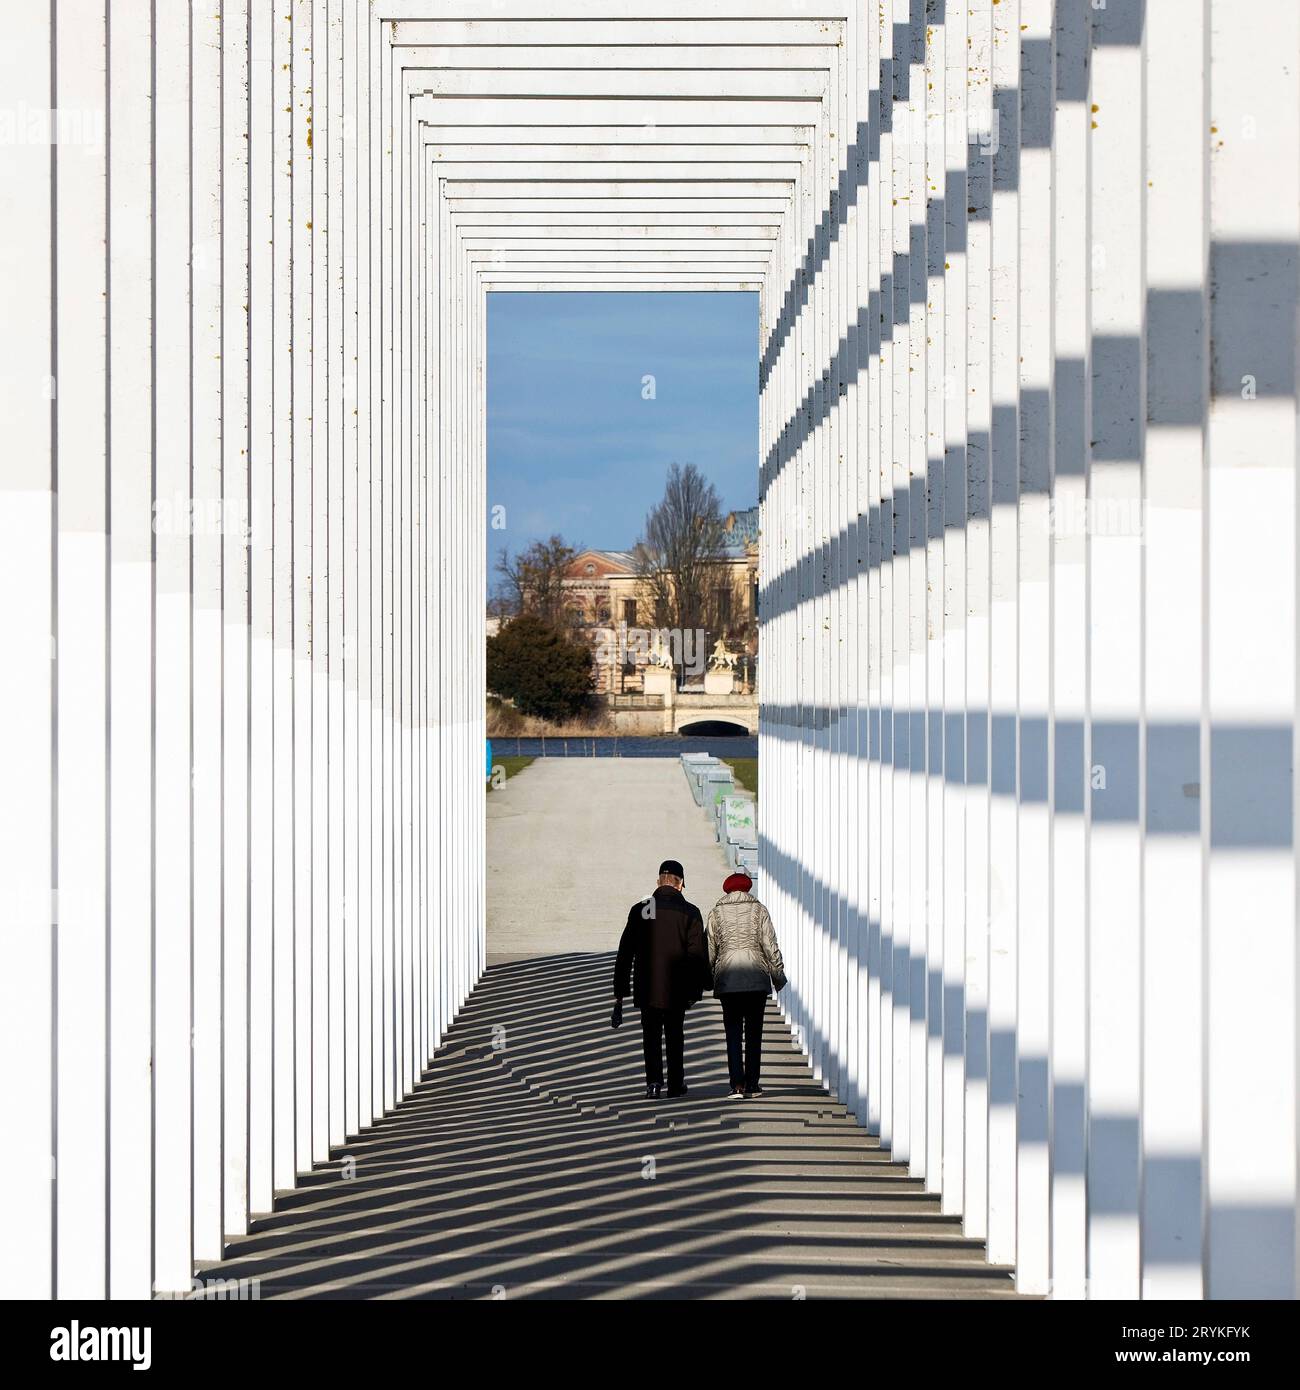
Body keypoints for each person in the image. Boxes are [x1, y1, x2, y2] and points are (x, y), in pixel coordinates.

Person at [612, 859, 710, 1100]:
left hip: (648, 987)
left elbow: (625, 952)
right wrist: (700, 987)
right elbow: (697, 954)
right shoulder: (690, 912)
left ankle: (653, 1083)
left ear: (658, 881)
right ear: (681, 884)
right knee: (675, 1035)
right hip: (677, 988)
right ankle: (676, 1084)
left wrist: (620, 991)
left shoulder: (641, 909)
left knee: (651, 1036)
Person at [705, 872, 786, 1098]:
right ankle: (753, 1084)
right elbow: (770, 946)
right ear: (748, 888)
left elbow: (710, 950)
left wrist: (708, 979)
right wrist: (778, 976)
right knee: (753, 1034)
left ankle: (737, 1085)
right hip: (755, 980)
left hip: (729, 981)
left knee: (732, 1033)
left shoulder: (716, 912)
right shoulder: (759, 910)